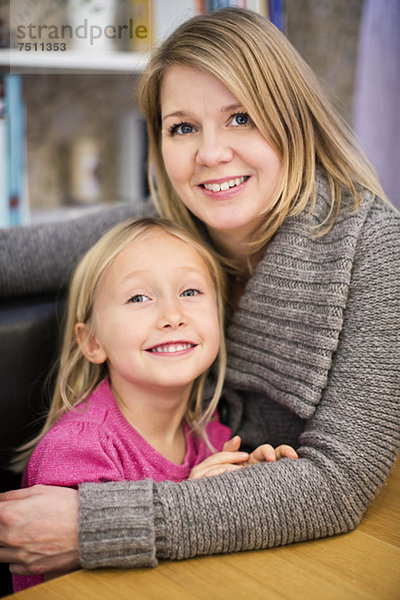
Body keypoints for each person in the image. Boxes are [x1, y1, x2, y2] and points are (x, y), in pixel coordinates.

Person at [0, 6, 399, 580]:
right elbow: (16, 257)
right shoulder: (164, 232)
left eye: (241, 118)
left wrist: (97, 525)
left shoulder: (377, 247)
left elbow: (336, 485)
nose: (210, 154)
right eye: (183, 127)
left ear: (295, 121)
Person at [12, 217, 298, 591]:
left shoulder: (209, 431)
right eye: (139, 298)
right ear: (93, 342)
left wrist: (247, 486)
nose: (172, 316)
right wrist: (193, 502)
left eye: (191, 292)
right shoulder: (77, 450)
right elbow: (81, 590)